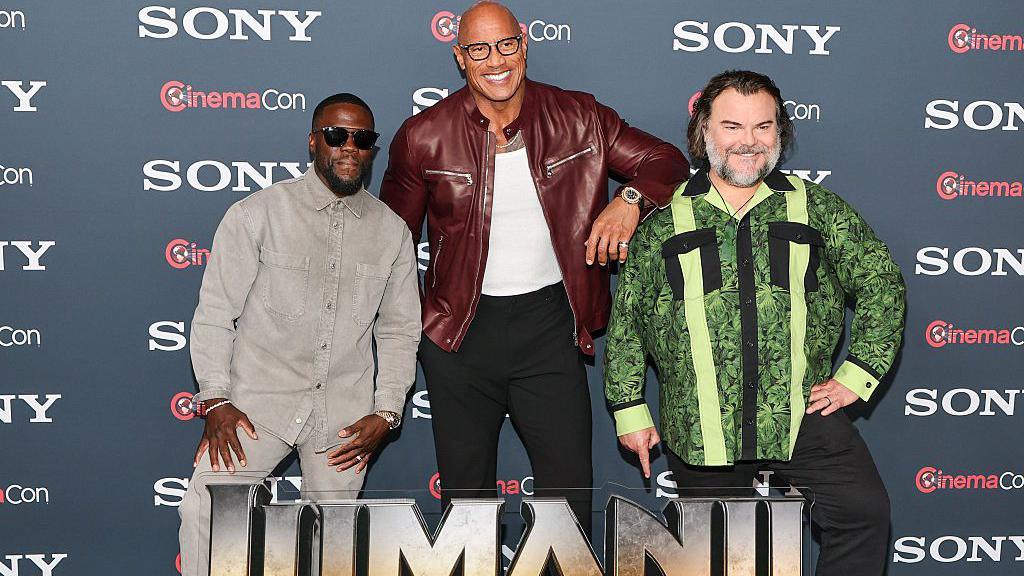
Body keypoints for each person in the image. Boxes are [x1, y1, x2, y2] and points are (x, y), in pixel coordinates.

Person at [379, 1, 689, 533]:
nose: (495, 61)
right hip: (457, 334)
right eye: (479, 49)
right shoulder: (423, 135)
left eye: (505, 45)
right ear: (460, 58)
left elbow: (667, 162)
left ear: (524, 45)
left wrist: (629, 199)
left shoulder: (580, 115)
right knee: (465, 504)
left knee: (568, 498)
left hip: (550, 328)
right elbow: (387, 242)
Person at [605, 70, 905, 575]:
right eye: (732, 127)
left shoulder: (818, 208)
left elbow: (881, 282)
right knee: (726, 559)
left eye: (763, 127)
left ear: (780, 132)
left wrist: (858, 373)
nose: (748, 142)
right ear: (703, 132)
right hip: (699, 419)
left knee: (863, 514)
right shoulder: (665, 221)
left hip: (800, 410)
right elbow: (630, 319)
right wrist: (629, 406)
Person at [178, 93, 421, 576]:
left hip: (344, 418)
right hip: (255, 407)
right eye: (336, 135)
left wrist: (387, 411)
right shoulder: (256, 214)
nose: (349, 146)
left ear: (373, 149)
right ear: (314, 142)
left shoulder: (392, 232)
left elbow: (399, 331)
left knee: (334, 545)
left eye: (362, 138)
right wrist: (216, 399)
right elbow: (214, 314)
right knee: (202, 509)